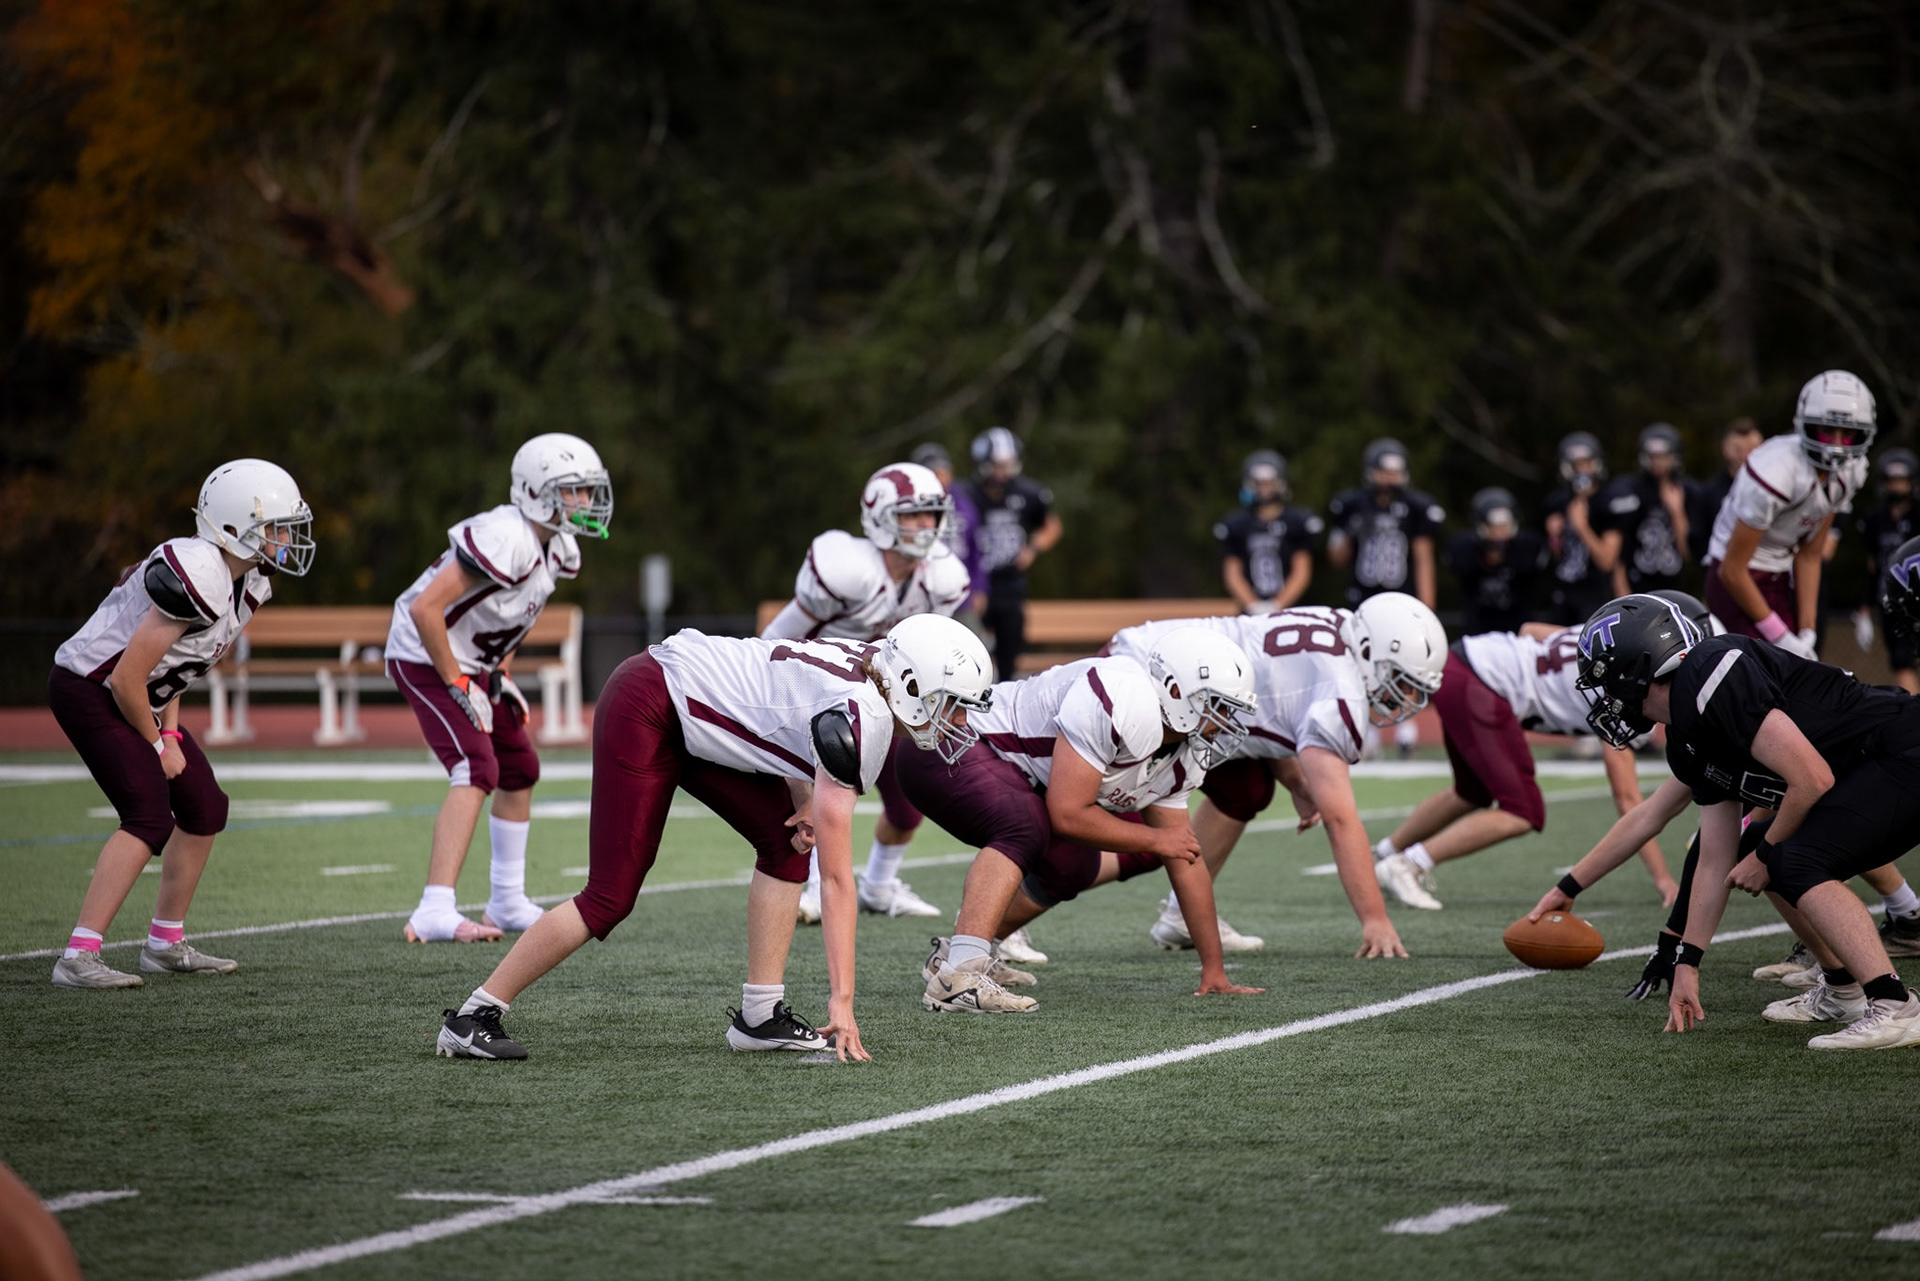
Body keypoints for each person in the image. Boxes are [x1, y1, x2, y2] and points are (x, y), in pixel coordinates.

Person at [434, 615, 994, 1061]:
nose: (959, 725)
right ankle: (473, 1016)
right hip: (651, 703)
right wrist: (842, 1002)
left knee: (786, 845)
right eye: (954, 706)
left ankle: (759, 1016)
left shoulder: (875, 666)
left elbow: (788, 719)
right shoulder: (863, 719)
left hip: (693, 709)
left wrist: (803, 803)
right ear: (913, 686)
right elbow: (841, 884)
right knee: (610, 895)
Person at [1545, 593, 1920, 1050]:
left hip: (1902, 749)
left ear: (1637, 668)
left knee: (1789, 857)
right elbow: (1714, 857)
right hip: (1873, 768)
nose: (1606, 699)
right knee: (1756, 847)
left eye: (1607, 681)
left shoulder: (1712, 671)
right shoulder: (1685, 740)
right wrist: (1687, 961)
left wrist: (1765, 856)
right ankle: (1843, 989)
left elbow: (1811, 778)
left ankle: (1894, 1004)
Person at [46, 459, 314, 987]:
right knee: (148, 814)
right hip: (91, 689)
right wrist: (157, 745)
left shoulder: (249, 582)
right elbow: (127, 677)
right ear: (235, 528)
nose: (286, 539)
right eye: (277, 527)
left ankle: (164, 943)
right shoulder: (198, 571)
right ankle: (78, 956)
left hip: (136, 695)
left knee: (205, 804)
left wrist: (170, 733)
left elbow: (176, 671)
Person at [902, 629, 1263, 1013]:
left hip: (1006, 772)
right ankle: (961, 976)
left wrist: (1214, 970)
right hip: (950, 745)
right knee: (1025, 824)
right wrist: (1157, 842)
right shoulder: (1122, 696)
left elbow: (1186, 858)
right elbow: (1068, 813)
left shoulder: (1182, 757)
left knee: (1070, 867)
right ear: (1176, 692)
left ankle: (955, 956)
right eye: (1218, 707)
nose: (1224, 722)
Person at [1107, 593, 1448, 959]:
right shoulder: (1341, 694)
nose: (1405, 695)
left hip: (1183, 681)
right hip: (1147, 681)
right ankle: (1037, 894)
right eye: (1400, 679)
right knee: (1095, 814)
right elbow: (1339, 819)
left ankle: (1182, 914)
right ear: (1367, 651)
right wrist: (1375, 917)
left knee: (1247, 791)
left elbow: (1272, 702)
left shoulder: (1336, 620)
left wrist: (1297, 781)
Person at [387, 434, 612, 944]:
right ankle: (434, 907)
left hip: (473, 663)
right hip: (423, 653)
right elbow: (425, 609)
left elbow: (515, 615)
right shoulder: (505, 535)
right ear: (537, 492)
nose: (584, 502)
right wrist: (456, 680)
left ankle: (506, 900)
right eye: (573, 491)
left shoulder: (558, 548)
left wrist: (499, 673)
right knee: (475, 766)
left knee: (519, 770)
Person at [1369, 592, 1701, 912]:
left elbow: (1529, 630)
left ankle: (1383, 854)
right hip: (1482, 681)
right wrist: (1663, 879)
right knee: (1522, 810)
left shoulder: (1597, 641)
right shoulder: (1622, 681)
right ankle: (1408, 864)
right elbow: (1628, 799)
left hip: (1465, 661)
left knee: (1472, 791)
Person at [761, 461, 970, 922]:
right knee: (823, 797)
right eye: (913, 514)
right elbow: (775, 638)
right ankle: (815, 885)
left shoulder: (941, 580)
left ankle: (878, 884)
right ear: (880, 516)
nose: (925, 526)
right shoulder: (846, 571)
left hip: (884, 698)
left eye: (931, 514)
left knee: (907, 805)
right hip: (816, 694)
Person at [1704, 371, 1874, 658]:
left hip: (1781, 575)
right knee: (1752, 683)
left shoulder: (1852, 471)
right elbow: (1732, 570)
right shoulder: (1774, 471)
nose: (1835, 444)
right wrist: (1781, 636)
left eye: (1848, 434)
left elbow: (1810, 554)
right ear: (1805, 426)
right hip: (1735, 577)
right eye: (1826, 430)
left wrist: (1807, 630)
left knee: (1793, 681)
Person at [961, 427, 1062, 679]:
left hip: (1010, 586)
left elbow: (1052, 525)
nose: (1002, 472)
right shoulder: (966, 495)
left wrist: (1033, 547)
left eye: (1007, 465)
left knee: (1009, 661)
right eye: (997, 465)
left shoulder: (1027, 493)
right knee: (968, 659)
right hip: (974, 585)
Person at [1325, 438, 1441, 611]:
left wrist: (1426, 608)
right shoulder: (1352, 504)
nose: (1389, 480)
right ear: (1371, 472)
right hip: (1361, 597)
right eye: (1384, 472)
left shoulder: (1416, 507)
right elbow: (1337, 560)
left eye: (1394, 473)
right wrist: (1351, 531)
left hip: (1403, 598)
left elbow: (1423, 561)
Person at [1215, 450, 1320, 614]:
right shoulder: (1236, 524)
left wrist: (1277, 605)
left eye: (1269, 483)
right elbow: (1232, 573)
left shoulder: (1297, 521)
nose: (1264, 489)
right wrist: (1253, 606)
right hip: (1249, 612)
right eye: (1259, 483)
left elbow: (1301, 571)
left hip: (1290, 610)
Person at [1599, 423, 1693, 594]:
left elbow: (1689, 552)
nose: (1658, 462)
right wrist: (1624, 594)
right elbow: (1619, 555)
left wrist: (1677, 512)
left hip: (1675, 586)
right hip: (1638, 584)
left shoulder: (1688, 491)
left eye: (1664, 456)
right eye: (1653, 456)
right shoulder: (1630, 491)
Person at [1853, 449, 1918, 692]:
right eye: (1892, 482)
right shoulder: (1874, 520)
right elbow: (1872, 567)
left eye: (1902, 482)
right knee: (1902, 662)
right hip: (1893, 603)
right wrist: (1864, 610)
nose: (1897, 488)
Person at [1446, 487, 1546, 634]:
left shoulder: (1527, 548)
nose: (1499, 534)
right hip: (1478, 632)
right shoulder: (1465, 549)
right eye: (1493, 527)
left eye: (1504, 526)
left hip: (1518, 631)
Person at [1543, 431, 1618, 626]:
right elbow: (1557, 558)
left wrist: (1582, 526)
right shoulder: (1558, 502)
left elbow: (1607, 561)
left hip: (1594, 592)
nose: (1582, 470)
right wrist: (1554, 538)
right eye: (1577, 465)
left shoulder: (1608, 501)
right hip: (1564, 590)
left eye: (1587, 463)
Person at [910, 442, 984, 620]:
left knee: (972, 641)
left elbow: (976, 548)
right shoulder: (907, 504)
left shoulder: (963, 502)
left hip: (960, 593)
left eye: (943, 471)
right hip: (917, 592)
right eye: (934, 473)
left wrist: (980, 588)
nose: (941, 478)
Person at [1688, 417, 1763, 564]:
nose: (1744, 455)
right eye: (1738, 449)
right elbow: (1697, 540)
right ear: (1725, 448)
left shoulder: (1772, 490)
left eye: (1751, 449)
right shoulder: (1708, 493)